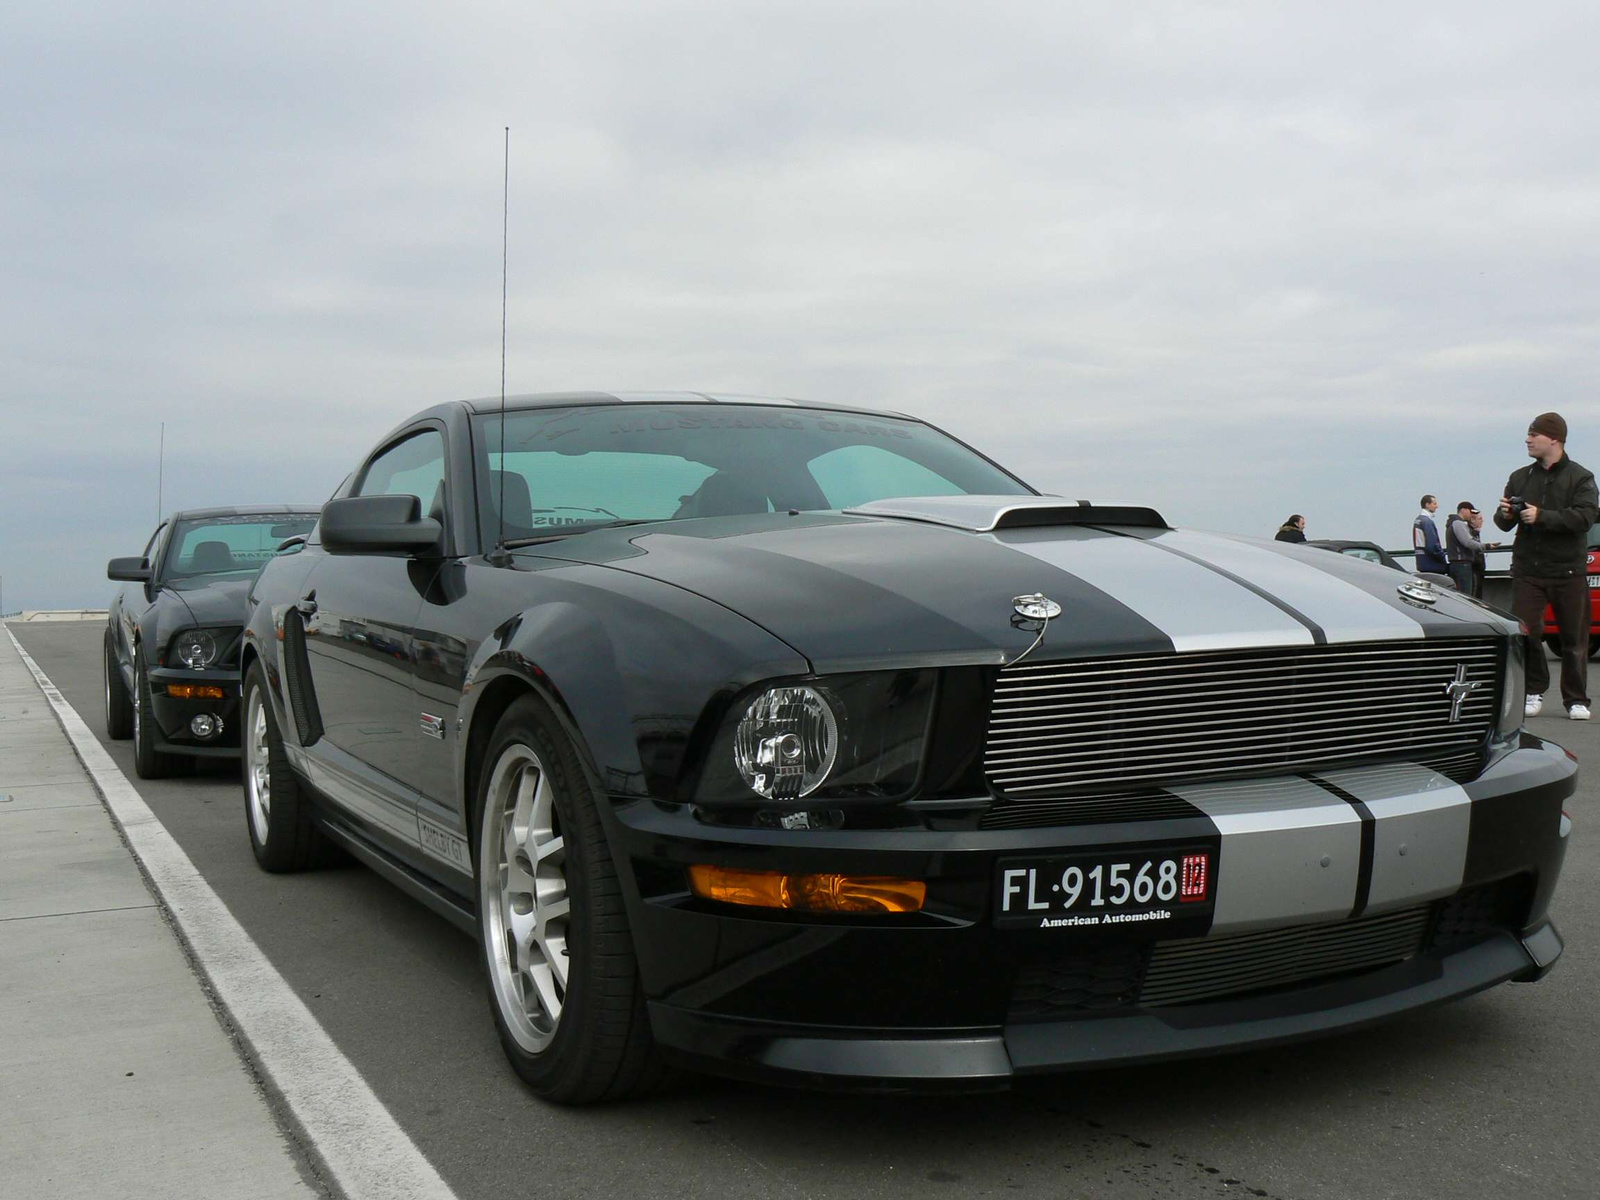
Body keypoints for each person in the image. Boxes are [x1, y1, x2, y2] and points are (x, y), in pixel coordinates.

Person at [1494, 412, 1599, 720]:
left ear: (1553, 438)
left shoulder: (1581, 477)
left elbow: (1584, 518)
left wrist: (1542, 516)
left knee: (1574, 639)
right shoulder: (1519, 477)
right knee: (1528, 633)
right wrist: (1506, 514)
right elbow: (1501, 524)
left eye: (1533, 434)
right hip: (1528, 570)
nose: (1527, 439)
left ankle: (1576, 699)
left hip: (1568, 571)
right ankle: (1533, 690)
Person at [1444, 502, 1485, 596]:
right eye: (1470, 512)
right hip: (1462, 564)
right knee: (1465, 596)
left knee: (1457, 594)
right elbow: (1468, 542)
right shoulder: (1458, 523)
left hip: (1455, 563)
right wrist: (1486, 546)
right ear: (1463, 510)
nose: (1471, 515)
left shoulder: (1451, 524)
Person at [1413, 495, 1447, 574]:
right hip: (1432, 564)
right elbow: (1432, 545)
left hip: (1422, 562)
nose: (1437, 506)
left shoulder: (1418, 520)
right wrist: (1442, 556)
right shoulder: (1427, 522)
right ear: (1427, 505)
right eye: (1434, 504)